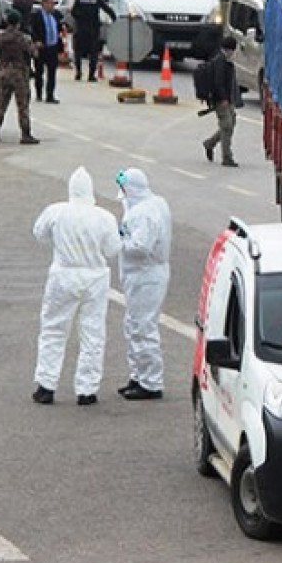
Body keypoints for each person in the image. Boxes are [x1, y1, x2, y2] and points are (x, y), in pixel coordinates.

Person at [32, 167, 121, 406]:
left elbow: (39, 233)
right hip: (94, 277)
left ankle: (46, 385)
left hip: (63, 273)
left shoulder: (56, 211)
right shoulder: (104, 217)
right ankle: (87, 390)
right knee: (93, 333)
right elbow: (113, 250)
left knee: (53, 329)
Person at [115, 168, 172, 401]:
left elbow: (140, 247)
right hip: (141, 274)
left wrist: (117, 240)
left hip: (145, 273)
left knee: (143, 326)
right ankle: (139, 375)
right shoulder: (153, 204)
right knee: (133, 324)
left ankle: (151, 382)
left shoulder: (144, 213)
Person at [0, 9, 39, 145]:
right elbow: (34, 54)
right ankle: (25, 134)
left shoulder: (0, 38)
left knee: (1, 103)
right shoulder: (23, 38)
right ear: (18, 23)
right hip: (20, 73)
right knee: (22, 105)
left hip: (4, 72)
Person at [200, 36, 240, 167]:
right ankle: (227, 157)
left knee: (229, 124)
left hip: (227, 99)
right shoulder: (220, 62)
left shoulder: (223, 60)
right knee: (227, 126)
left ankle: (209, 143)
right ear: (229, 49)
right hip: (221, 100)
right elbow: (218, 83)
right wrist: (223, 98)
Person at [69, 0, 116, 82]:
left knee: (78, 53)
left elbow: (73, 12)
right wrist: (115, 20)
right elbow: (108, 10)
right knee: (93, 53)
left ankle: (78, 73)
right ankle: (91, 76)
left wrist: (80, 19)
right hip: (93, 30)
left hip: (80, 30)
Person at [29, 0, 63, 103]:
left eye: (53, 4)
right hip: (41, 47)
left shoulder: (56, 15)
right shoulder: (36, 15)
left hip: (52, 47)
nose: (52, 6)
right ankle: (39, 94)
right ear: (43, 4)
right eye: (50, 3)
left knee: (52, 72)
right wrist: (36, 41)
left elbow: (60, 28)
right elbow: (31, 29)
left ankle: (50, 95)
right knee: (39, 72)